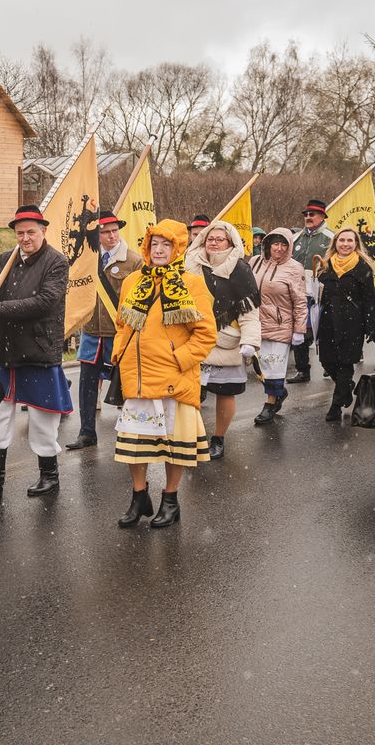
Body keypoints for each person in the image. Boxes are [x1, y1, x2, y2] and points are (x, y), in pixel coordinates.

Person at [112, 219, 216, 527]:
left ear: (178, 248)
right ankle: (139, 496)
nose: (158, 250)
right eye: (154, 244)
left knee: (175, 446)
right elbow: (122, 323)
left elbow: (206, 334)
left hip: (175, 378)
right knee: (134, 445)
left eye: (166, 245)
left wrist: (180, 358)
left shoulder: (191, 284)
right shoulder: (133, 282)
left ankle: (170, 501)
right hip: (138, 377)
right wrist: (119, 351)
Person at [0, 205, 72, 497]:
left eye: (31, 232)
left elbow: (45, 302)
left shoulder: (57, 262)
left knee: (43, 418)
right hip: (6, 352)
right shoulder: (7, 258)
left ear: (43, 231)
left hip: (39, 351)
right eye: (20, 233)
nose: (25, 238)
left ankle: (50, 475)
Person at [185, 221, 261, 460]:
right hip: (195, 340)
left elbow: (249, 311)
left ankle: (218, 437)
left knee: (224, 394)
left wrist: (250, 341)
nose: (214, 242)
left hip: (226, 340)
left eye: (220, 239)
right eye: (210, 238)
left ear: (230, 242)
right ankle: (192, 437)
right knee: (189, 395)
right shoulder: (190, 264)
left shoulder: (240, 269)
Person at [68, 208, 142, 450]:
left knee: (126, 384)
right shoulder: (86, 259)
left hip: (119, 333)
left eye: (114, 231)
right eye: (105, 232)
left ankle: (131, 430)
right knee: (87, 385)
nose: (112, 236)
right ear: (96, 235)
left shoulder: (133, 261)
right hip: (91, 333)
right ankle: (86, 432)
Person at [315, 227, 375, 422]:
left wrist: (371, 327)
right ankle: (346, 387)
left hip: (352, 323)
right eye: (341, 240)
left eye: (349, 241)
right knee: (327, 361)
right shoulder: (325, 266)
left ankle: (336, 405)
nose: (345, 244)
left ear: (356, 244)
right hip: (327, 321)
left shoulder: (363, 268)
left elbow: (370, 299)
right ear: (335, 243)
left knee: (345, 362)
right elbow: (316, 295)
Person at [248, 228, 307, 425]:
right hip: (255, 323)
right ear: (267, 244)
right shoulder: (255, 262)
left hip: (280, 324)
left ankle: (270, 403)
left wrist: (300, 329)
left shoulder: (294, 268)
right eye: (275, 244)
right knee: (259, 366)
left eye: (284, 244)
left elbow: (300, 301)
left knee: (274, 366)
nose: (279, 248)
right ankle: (279, 391)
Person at [288, 198, 334, 383]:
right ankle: (302, 370)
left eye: (312, 214)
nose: (308, 217)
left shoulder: (331, 238)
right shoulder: (295, 238)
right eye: (306, 214)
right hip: (298, 292)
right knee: (299, 331)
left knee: (323, 331)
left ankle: (329, 366)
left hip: (321, 292)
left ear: (322, 216)